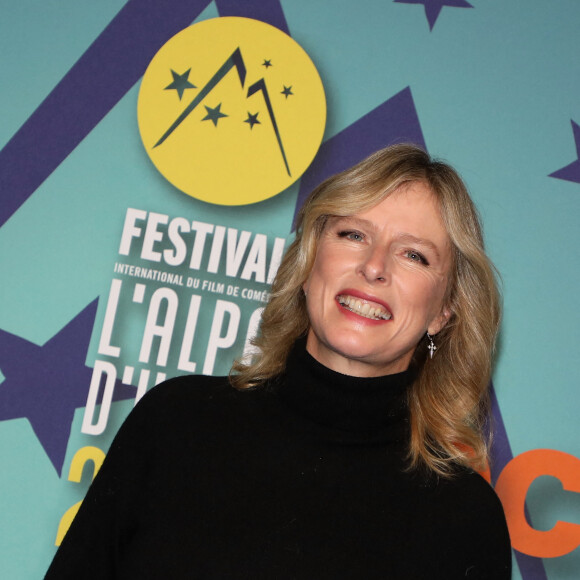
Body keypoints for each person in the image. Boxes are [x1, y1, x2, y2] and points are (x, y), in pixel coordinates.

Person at [45, 144, 511, 579]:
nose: (374, 266)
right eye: (353, 234)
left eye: (414, 255)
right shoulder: (175, 421)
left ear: (444, 310)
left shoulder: (465, 519)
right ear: (309, 265)